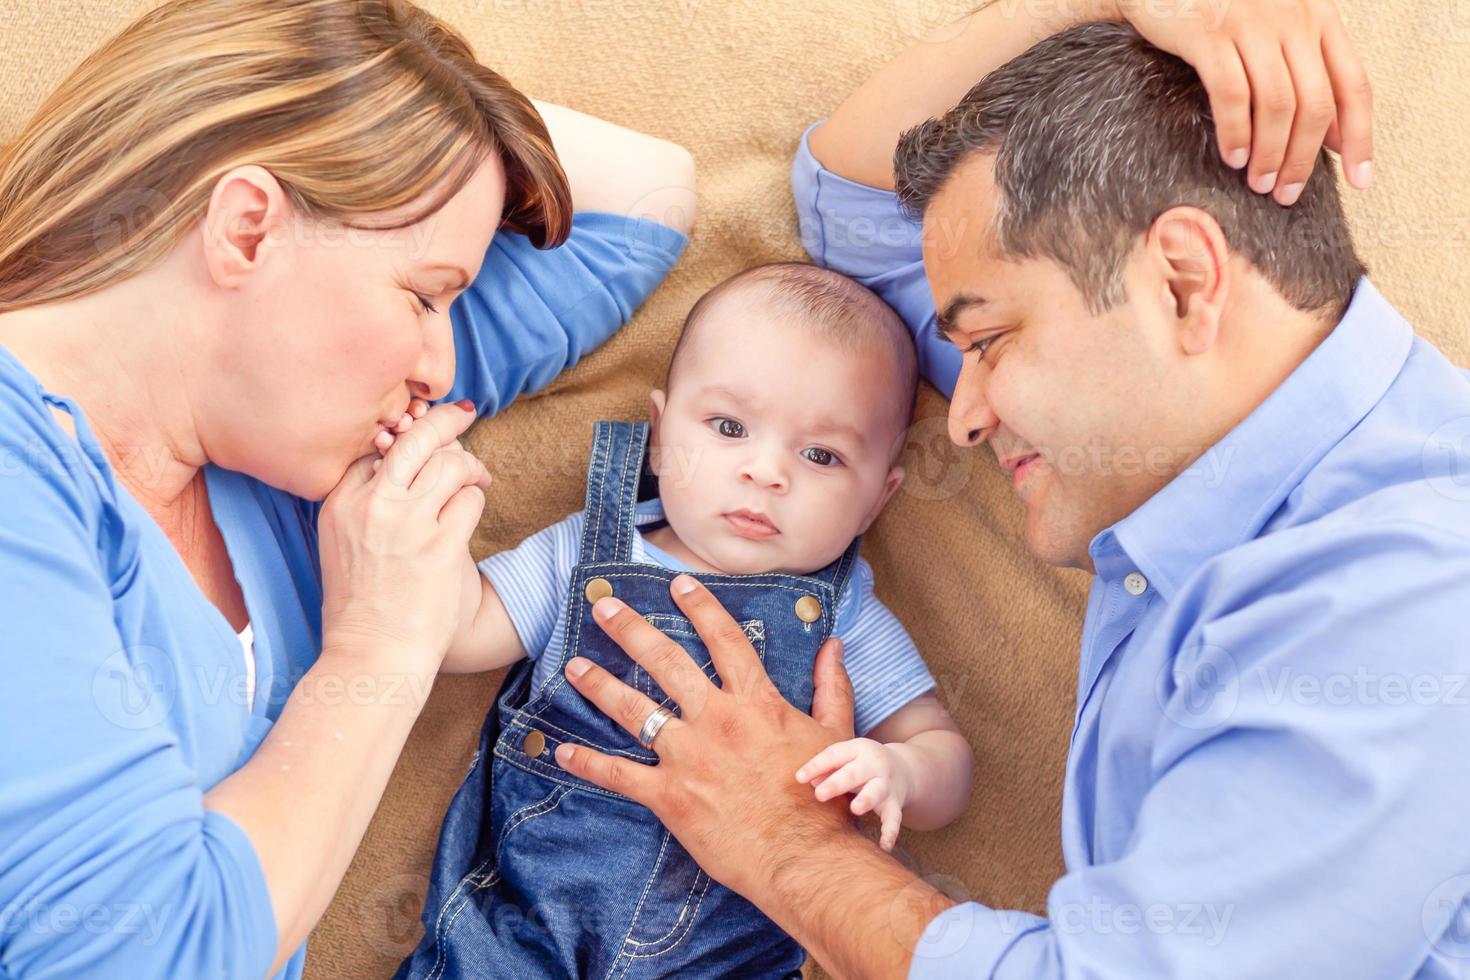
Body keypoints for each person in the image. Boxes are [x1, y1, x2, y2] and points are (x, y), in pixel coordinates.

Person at [552, 2, 1470, 978]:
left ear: (1187, 285)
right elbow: (851, 204)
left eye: (987, 343)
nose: (962, 416)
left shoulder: (1412, 583)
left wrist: (783, 845)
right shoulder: (1179, 426)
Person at [0, 1, 693, 977]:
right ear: (246, 229)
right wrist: (382, 643)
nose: (442, 358)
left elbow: (648, 199)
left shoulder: (284, 463)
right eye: (423, 294)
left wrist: (402, 87)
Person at [396, 262, 973, 977]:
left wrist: (900, 770)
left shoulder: (840, 613)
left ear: (877, 499)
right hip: (522, 928)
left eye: (821, 454)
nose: (765, 471)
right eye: (729, 426)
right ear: (662, 433)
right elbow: (459, 633)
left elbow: (943, 758)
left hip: (726, 954)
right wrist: (432, 508)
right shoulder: (588, 552)